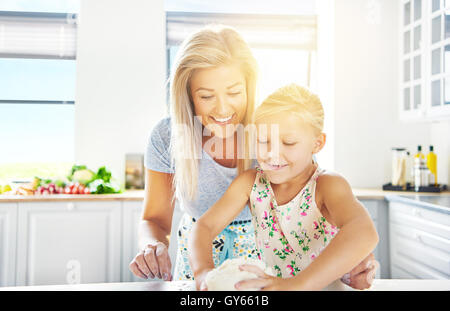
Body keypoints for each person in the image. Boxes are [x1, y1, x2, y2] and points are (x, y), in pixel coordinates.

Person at [128, 24, 378, 289]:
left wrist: (347, 261)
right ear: (188, 94)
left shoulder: (270, 130)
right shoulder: (168, 136)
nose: (223, 108)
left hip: (267, 265)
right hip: (197, 257)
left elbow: (313, 206)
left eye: (234, 92)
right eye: (206, 96)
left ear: (250, 86)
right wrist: (153, 248)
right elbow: (159, 221)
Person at [188, 84, 379, 291]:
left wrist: (296, 285)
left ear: (317, 143)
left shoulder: (327, 185)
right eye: (263, 141)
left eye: (288, 142)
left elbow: (364, 231)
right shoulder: (251, 183)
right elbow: (203, 227)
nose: (272, 153)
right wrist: (203, 273)